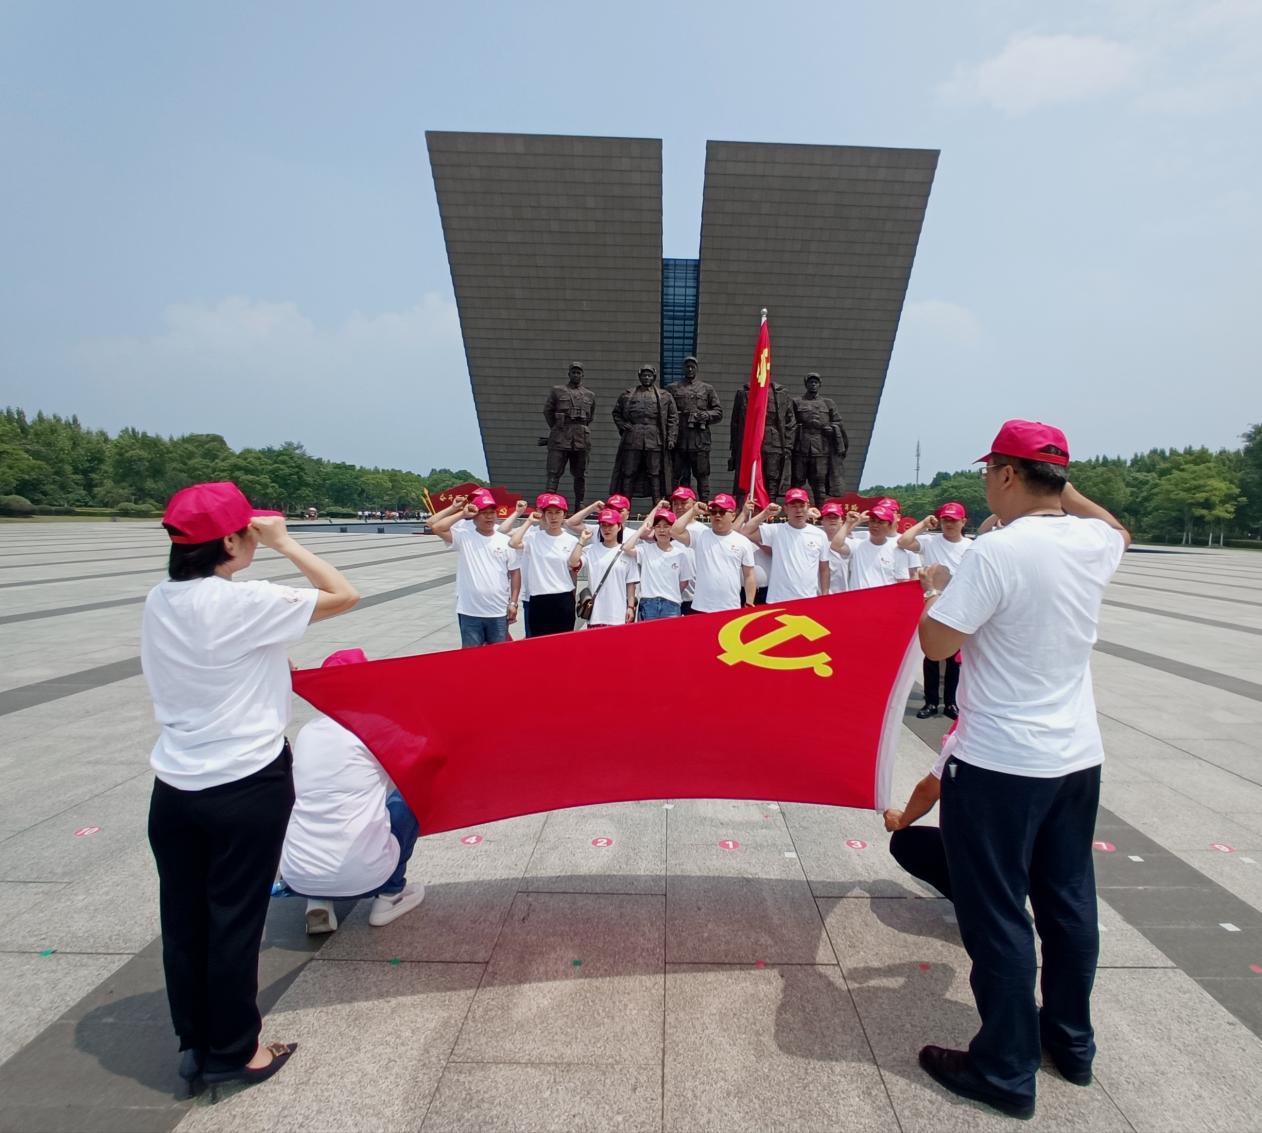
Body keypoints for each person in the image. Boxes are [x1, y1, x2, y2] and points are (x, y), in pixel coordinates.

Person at [915, 419, 1130, 1119]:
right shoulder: (1092, 543)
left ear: (1008, 474)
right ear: (1058, 480)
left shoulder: (996, 552)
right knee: (1068, 902)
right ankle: (1071, 1043)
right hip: (1076, 758)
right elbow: (1116, 528)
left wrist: (935, 589)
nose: (985, 483)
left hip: (1000, 763)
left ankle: (1005, 1068)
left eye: (989, 471)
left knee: (998, 911)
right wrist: (1061, 487)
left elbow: (938, 643)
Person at [142, 482, 359, 1095]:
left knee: (185, 920)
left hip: (174, 786)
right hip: (244, 783)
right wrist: (287, 542)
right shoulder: (245, 601)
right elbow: (343, 594)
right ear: (232, 541)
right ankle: (238, 1050)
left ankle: (196, 1041)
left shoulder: (161, 599)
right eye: (248, 534)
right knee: (234, 918)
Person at [280, 649, 423, 935]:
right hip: (364, 874)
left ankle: (318, 901)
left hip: (297, 873)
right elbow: (416, 764)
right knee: (410, 798)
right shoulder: (373, 730)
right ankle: (391, 895)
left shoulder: (308, 732)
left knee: (319, 806)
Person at [900, 503, 973, 718]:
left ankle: (951, 702)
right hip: (933, 601)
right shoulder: (930, 541)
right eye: (945, 519)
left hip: (959, 605)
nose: (949, 524)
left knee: (954, 659)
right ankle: (930, 702)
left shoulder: (971, 546)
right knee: (931, 655)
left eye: (953, 520)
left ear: (963, 522)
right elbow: (903, 541)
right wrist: (923, 524)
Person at [430, 490, 521, 647]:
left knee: (498, 657)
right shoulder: (464, 537)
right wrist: (461, 513)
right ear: (474, 516)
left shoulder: (505, 541)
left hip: (498, 611)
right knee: (471, 657)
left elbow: (515, 573)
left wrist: (513, 603)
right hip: (470, 611)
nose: (489, 517)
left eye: (492, 512)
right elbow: (436, 527)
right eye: (484, 513)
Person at [883, 723, 956, 901]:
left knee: (905, 843)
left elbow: (928, 791)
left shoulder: (970, 736)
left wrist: (902, 820)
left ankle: (979, 904)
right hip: (1018, 857)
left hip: (985, 856)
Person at [669, 493, 756, 612]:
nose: (717, 515)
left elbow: (749, 575)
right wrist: (693, 511)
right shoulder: (701, 535)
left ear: (733, 515)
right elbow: (674, 531)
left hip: (730, 607)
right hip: (701, 607)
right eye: (713, 512)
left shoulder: (743, 541)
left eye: (722, 512)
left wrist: (749, 602)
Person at [742, 488, 831, 602]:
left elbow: (824, 569)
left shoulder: (819, 535)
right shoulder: (776, 530)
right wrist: (765, 513)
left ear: (808, 506)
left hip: (808, 599)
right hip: (778, 599)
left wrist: (825, 595)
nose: (798, 510)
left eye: (802, 506)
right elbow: (746, 532)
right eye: (793, 506)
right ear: (786, 509)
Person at [509, 493, 580, 636]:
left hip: (564, 597)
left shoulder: (571, 540)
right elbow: (513, 543)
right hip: (539, 598)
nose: (553, 517)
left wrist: (573, 595)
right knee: (539, 643)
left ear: (564, 515)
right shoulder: (533, 537)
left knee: (563, 643)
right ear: (544, 515)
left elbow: (573, 571)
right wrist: (529, 522)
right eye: (549, 513)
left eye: (558, 512)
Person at [622, 501, 692, 620]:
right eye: (658, 526)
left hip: (671, 604)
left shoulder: (681, 554)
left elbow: (684, 582)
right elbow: (626, 548)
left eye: (666, 526)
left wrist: (670, 592)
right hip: (648, 603)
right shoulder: (645, 549)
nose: (661, 530)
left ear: (672, 529)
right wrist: (642, 529)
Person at [570, 508, 638, 627]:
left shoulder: (627, 553)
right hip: (595, 615)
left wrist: (631, 607)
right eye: (603, 526)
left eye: (610, 525)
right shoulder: (591, 550)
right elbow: (573, 563)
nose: (606, 529)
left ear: (619, 527)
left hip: (618, 614)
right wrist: (582, 541)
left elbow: (630, 584)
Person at [543, 362, 596, 508]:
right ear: (569, 374)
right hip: (560, 435)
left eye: (578, 373)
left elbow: (590, 417)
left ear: (582, 375)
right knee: (554, 471)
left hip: (581, 437)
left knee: (581, 473)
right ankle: (548, 502)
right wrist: (556, 428)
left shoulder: (590, 395)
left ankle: (579, 504)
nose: (576, 375)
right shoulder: (557, 391)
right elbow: (548, 411)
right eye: (573, 372)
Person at [669, 355, 723, 499]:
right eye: (687, 367)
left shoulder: (707, 389)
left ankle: (704, 503)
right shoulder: (672, 388)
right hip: (679, 438)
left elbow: (718, 412)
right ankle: (675, 502)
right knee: (676, 474)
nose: (690, 369)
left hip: (700, 438)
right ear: (683, 368)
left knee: (702, 474)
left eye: (692, 367)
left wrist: (706, 415)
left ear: (697, 369)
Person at [842, 503, 919, 590]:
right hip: (858, 596)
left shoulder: (902, 545)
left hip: (885, 597)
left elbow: (910, 576)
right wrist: (855, 521)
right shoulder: (860, 540)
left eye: (880, 522)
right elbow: (838, 542)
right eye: (873, 520)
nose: (875, 525)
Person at [819, 502, 864, 593]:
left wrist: (856, 522)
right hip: (817, 595)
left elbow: (837, 544)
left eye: (835, 517)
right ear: (822, 521)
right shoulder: (815, 543)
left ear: (841, 521)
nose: (832, 520)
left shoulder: (850, 543)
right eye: (829, 517)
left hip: (842, 594)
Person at [670, 486, 700, 613]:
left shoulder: (703, 531)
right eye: (675, 504)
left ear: (694, 504)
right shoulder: (663, 529)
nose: (679, 507)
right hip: (669, 597)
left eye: (683, 503)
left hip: (696, 597)